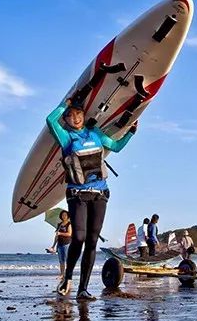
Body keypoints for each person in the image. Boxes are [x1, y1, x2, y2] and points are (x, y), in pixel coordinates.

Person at [46, 97, 137, 300]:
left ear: (84, 115)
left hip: (100, 194)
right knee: (78, 237)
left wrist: (131, 133)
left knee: (92, 241)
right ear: (65, 119)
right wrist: (65, 104)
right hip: (77, 194)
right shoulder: (66, 138)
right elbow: (50, 121)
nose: (75, 118)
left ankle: (83, 289)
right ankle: (67, 277)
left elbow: (116, 146)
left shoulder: (95, 133)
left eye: (78, 113)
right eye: (70, 115)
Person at [49, 210, 71, 281]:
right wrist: (53, 246)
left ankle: (68, 274)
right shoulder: (59, 224)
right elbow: (56, 236)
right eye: (62, 215)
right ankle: (62, 274)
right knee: (61, 260)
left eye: (65, 215)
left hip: (66, 244)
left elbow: (69, 234)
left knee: (67, 260)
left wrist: (60, 233)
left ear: (67, 216)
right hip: (59, 244)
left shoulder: (69, 224)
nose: (64, 216)